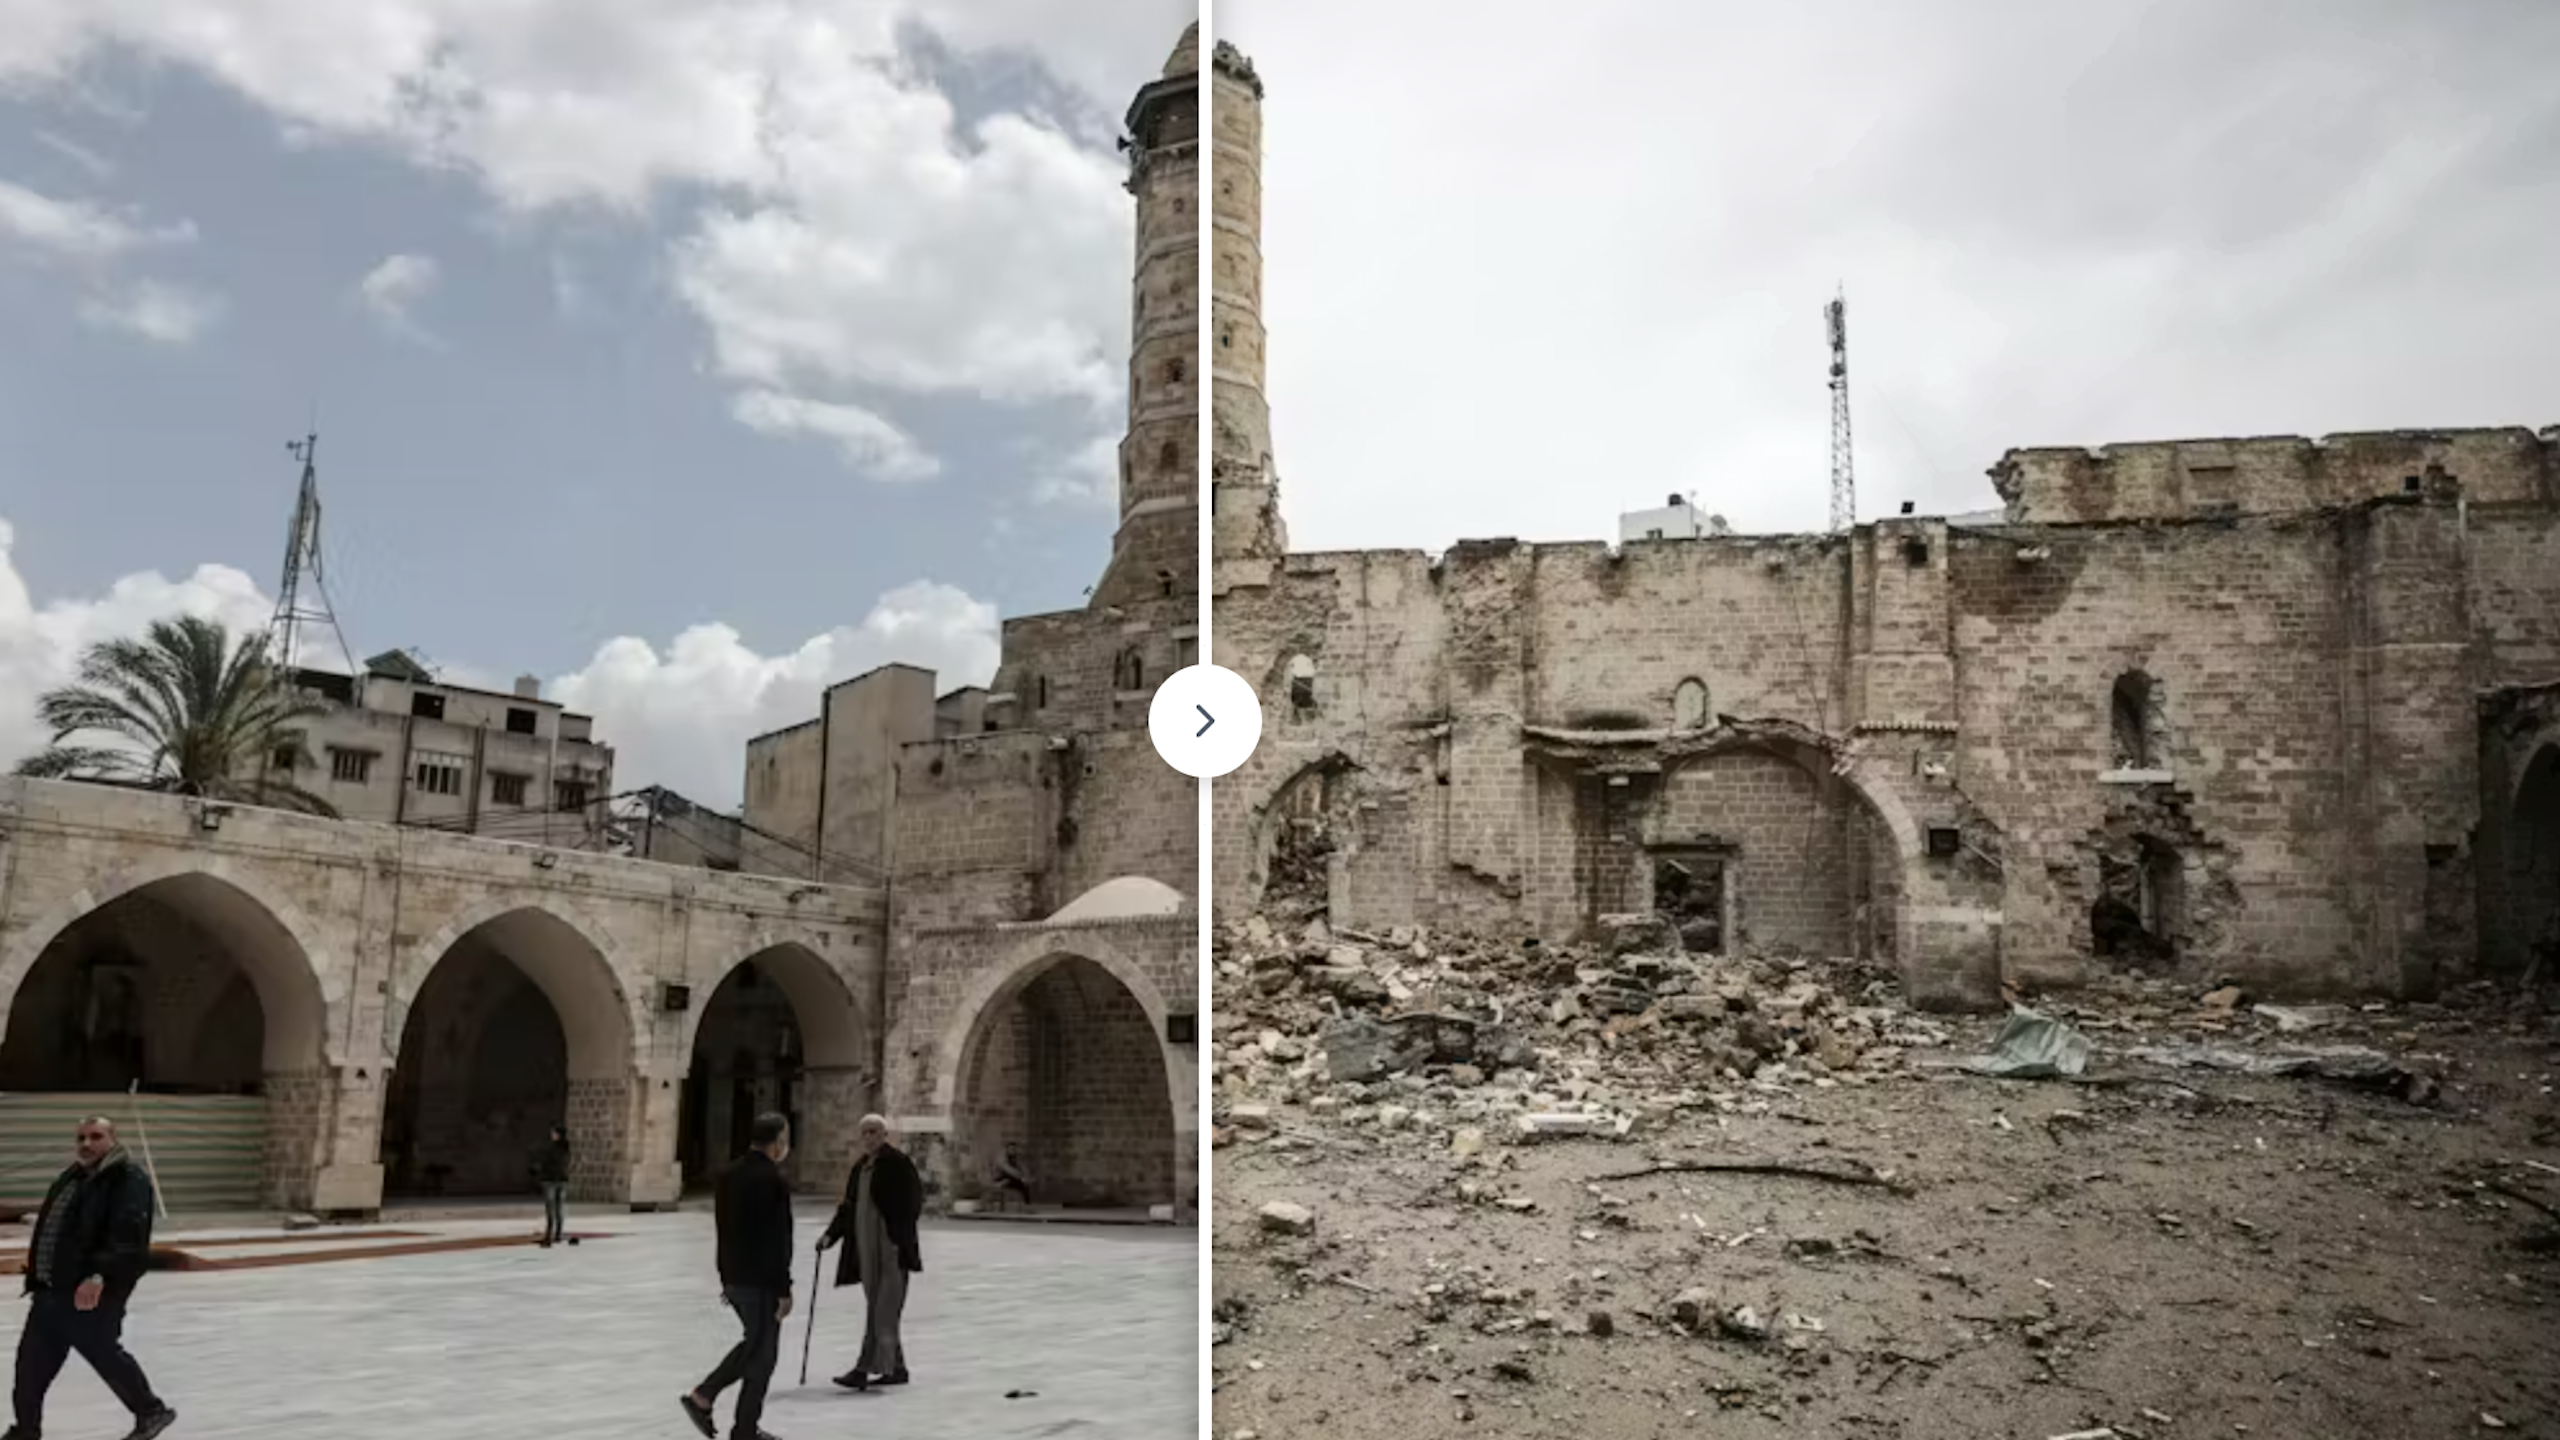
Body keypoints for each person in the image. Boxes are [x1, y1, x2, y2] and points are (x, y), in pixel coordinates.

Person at [7, 1116, 177, 1440]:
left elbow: (128, 1236)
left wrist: (100, 1274)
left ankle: (152, 1411)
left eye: (96, 1136)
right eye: (81, 1138)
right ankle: (25, 1431)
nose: (86, 1144)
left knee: (104, 1355)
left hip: (91, 1292)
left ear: (113, 1139)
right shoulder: (73, 1177)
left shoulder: (127, 1179)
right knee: (29, 1370)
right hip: (49, 1292)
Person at [678, 1113, 795, 1440]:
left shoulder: (727, 1174)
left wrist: (725, 1276)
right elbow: (777, 1239)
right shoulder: (772, 1180)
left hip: (733, 1275)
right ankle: (704, 1396)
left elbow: (724, 1228)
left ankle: (745, 1429)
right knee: (759, 1347)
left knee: (762, 1352)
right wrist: (784, 1288)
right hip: (761, 1281)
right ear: (778, 1142)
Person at [818, 1114, 923, 1391]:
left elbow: (913, 1203)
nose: (868, 1137)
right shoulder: (859, 1168)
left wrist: (898, 1238)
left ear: (884, 1135)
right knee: (880, 1309)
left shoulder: (898, 1165)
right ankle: (897, 1368)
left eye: (874, 1132)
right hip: (865, 1251)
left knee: (882, 1312)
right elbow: (848, 1207)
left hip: (891, 1250)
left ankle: (863, 1368)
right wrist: (830, 1235)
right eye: (864, 1132)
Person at [532, 1124, 571, 1248]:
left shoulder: (552, 1149)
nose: (552, 1135)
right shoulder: (566, 1149)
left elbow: (546, 1163)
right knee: (559, 1209)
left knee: (551, 1209)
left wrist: (539, 1171)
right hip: (562, 1180)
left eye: (554, 1133)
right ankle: (558, 1234)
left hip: (551, 1180)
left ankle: (549, 1235)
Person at [992, 1142, 1032, 1207]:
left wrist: (1026, 1177)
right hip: (1000, 1178)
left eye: (1014, 1149)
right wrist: (1021, 1177)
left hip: (1012, 1180)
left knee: (1025, 1185)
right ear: (1007, 1149)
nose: (1013, 1151)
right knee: (1010, 1176)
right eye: (1011, 1149)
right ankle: (1003, 1183)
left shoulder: (1017, 1158)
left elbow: (1023, 1168)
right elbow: (1008, 1170)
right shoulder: (1002, 1158)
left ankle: (1027, 1205)